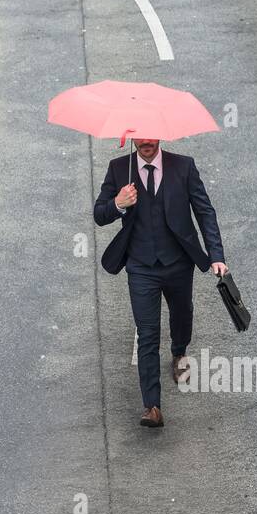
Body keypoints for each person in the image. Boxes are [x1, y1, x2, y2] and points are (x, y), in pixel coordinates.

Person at [94, 138, 227, 428]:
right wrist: (118, 203)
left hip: (179, 262)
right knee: (148, 333)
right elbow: (99, 214)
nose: (146, 142)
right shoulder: (119, 170)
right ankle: (152, 406)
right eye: (140, 138)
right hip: (141, 267)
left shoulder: (184, 167)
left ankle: (179, 351)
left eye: (151, 136)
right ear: (132, 139)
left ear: (160, 137)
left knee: (183, 314)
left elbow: (205, 212)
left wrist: (216, 255)